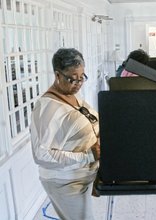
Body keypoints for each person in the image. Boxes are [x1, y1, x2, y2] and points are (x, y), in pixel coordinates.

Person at [30, 48, 100, 220]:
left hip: (82, 176)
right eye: (72, 79)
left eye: (82, 77)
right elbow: (41, 155)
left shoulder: (72, 96)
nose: (78, 83)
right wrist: (87, 156)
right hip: (65, 182)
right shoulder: (47, 108)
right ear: (57, 75)